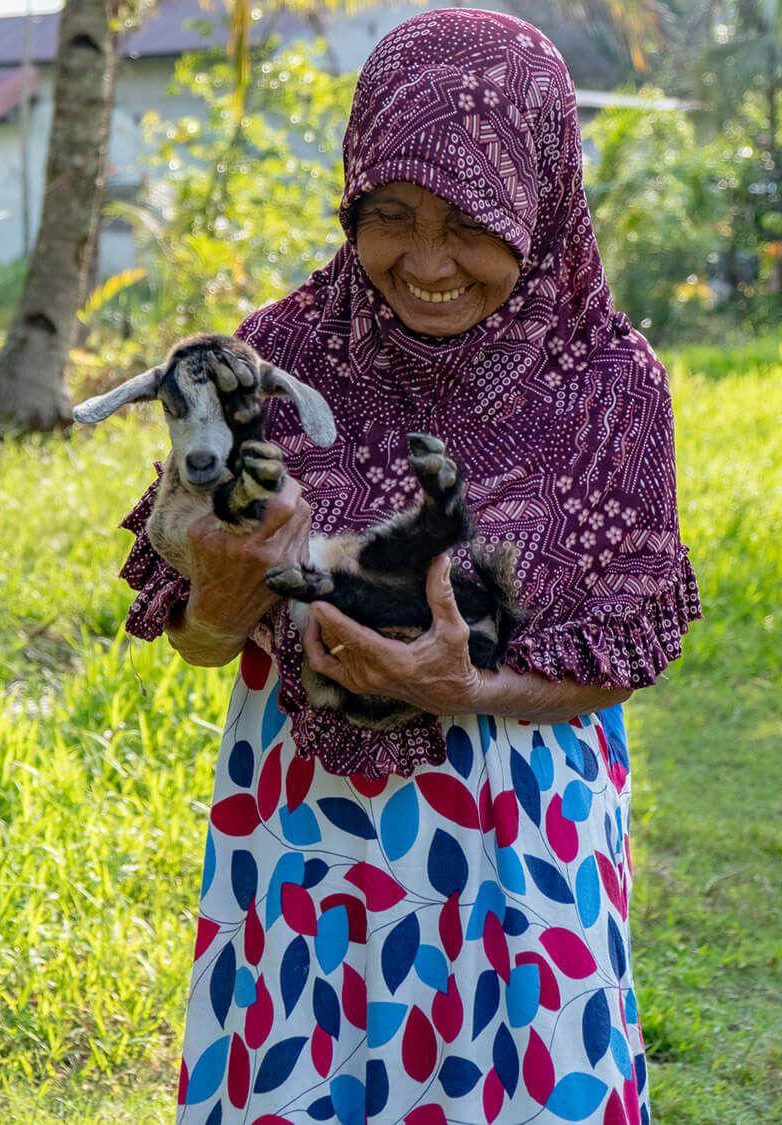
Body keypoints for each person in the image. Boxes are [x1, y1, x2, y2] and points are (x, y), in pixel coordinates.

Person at [116, 10, 700, 1124]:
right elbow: (198, 635)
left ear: (538, 197)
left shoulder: (611, 388)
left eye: (471, 224)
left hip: (517, 859)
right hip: (297, 857)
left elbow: (627, 646)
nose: (426, 265)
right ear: (350, 198)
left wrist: (467, 690)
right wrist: (217, 605)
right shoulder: (272, 357)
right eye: (390, 216)